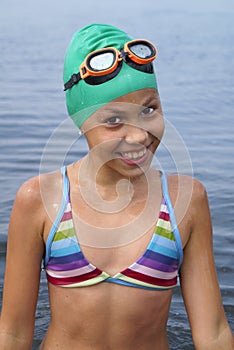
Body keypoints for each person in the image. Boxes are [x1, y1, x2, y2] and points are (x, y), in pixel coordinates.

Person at [0, 23, 233, 350]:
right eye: (113, 120)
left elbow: (214, 333)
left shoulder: (186, 201)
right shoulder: (40, 200)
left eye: (149, 109)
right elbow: (13, 334)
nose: (139, 135)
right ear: (81, 123)